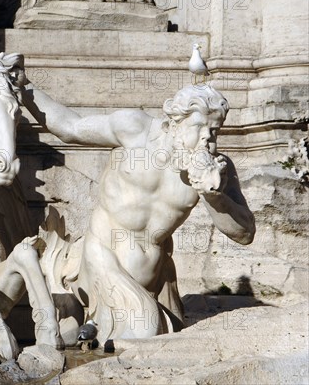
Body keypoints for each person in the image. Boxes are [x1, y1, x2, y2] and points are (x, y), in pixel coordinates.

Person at [19, 75, 256, 341]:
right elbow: (70, 127)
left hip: (156, 281)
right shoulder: (135, 129)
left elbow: (245, 233)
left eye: (215, 130)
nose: (207, 138)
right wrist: (25, 87)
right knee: (145, 330)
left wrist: (214, 197)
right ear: (176, 122)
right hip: (102, 260)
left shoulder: (218, 168)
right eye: (199, 126)